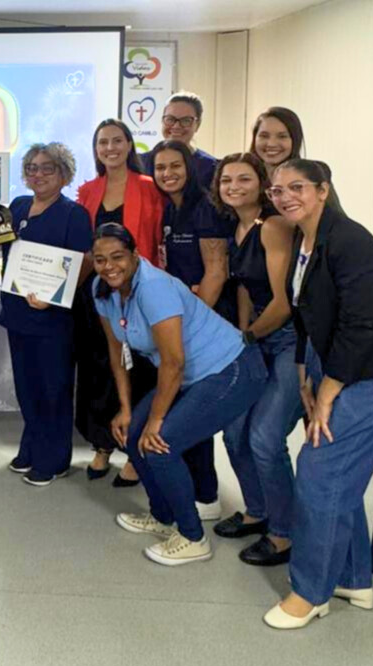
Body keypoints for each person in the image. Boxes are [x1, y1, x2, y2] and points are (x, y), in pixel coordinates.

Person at [263, 160, 373, 629]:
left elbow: (363, 325)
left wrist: (327, 393)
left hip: (365, 377)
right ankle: (354, 578)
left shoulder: (351, 242)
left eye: (296, 187)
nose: (285, 196)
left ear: (322, 190)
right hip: (326, 364)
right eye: (277, 190)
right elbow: (306, 315)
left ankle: (310, 593)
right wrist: (304, 373)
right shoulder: (306, 240)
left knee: (320, 474)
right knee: (341, 477)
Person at [93, 223, 268, 566]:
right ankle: (163, 516)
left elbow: (173, 362)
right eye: (100, 260)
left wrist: (156, 420)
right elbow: (117, 355)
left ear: (135, 255)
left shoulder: (154, 288)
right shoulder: (103, 289)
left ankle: (192, 538)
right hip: (187, 375)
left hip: (230, 368)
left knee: (160, 445)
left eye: (117, 257)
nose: (109, 266)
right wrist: (126, 409)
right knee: (133, 436)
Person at [210, 153, 305, 566]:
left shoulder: (274, 226)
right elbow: (246, 288)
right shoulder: (237, 228)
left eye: (243, 179)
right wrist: (243, 336)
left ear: (262, 185)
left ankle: (284, 534)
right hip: (255, 340)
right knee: (234, 433)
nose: (233, 186)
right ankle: (257, 511)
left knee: (265, 438)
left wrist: (248, 336)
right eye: (226, 180)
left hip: (287, 342)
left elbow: (283, 304)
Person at [74, 119, 162, 485]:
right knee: (98, 368)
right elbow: (81, 246)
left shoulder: (150, 187)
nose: (109, 148)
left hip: (139, 292)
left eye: (116, 141)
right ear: (96, 150)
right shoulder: (87, 190)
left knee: (139, 370)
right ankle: (101, 445)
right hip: (96, 293)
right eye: (102, 143)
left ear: (129, 145)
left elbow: (157, 241)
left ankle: (134, 450)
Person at [149, 139, 233, 520]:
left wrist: (194, 323)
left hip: (202, 322)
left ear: (190, 167)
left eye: (175, 166)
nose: (167, 173)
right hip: (182, 318)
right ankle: (193, 490)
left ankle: (206, 495)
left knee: (195, 413)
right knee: (183, 406)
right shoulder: (171, 208)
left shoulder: (205, 208)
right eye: (160, 167)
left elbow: (216, 271)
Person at [0, 143, 92, 486]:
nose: (38, 174)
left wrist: (54, 299)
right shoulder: (18, 206)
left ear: (64, 174)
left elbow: (85, 262)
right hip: (17, 313)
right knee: (27, 387)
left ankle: (54, 460)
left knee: (53, 389)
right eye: (32, 168)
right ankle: (32, 446)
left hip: (52, 319)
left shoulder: (74, 214)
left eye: (47, 168)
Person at [141, 91, 218, 189]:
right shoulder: (141, 163)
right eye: (170, 119)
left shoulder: (210, 167)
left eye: (186, 120)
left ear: (198, 124)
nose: (176, 126)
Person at [249, 107, 305, 178]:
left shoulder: (308, 180)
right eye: (264, 136)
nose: (271, 144)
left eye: (282, 136)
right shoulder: (240, 180)